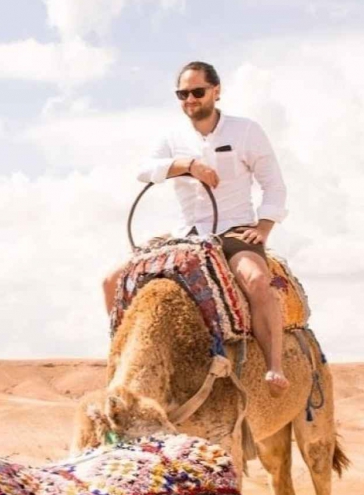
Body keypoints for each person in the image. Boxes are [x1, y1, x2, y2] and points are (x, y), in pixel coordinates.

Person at [105, 61, 291, 393]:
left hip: (233, 230)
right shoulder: (172, 137)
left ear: (216, 92)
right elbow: (143, 170)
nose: (190, 99)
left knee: (256, 279)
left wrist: (263, 228)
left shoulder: (246, 131)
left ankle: (275, 368)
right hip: (184, 234)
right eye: (182, 93)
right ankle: (121, 363)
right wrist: (188, 165)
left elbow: (274, 185)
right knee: (112, 280)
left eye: (197, 92)